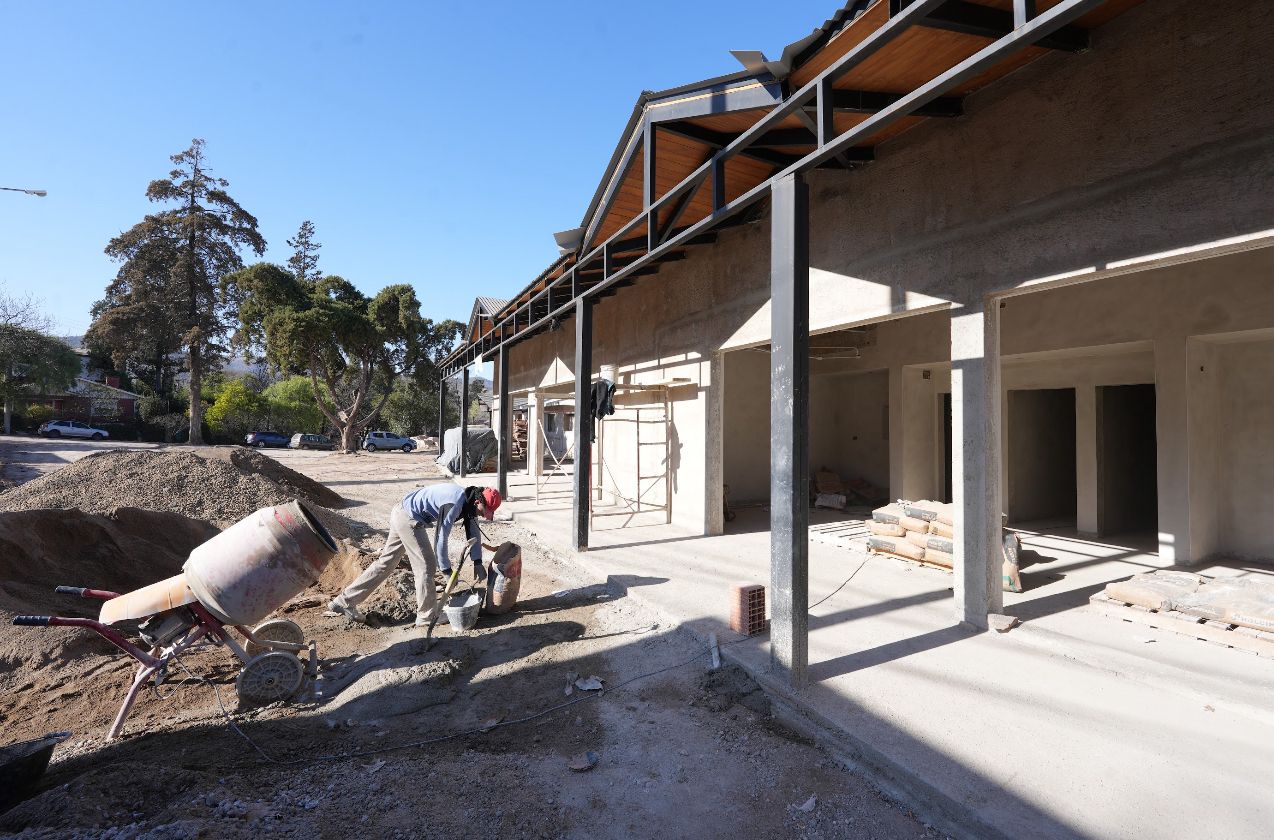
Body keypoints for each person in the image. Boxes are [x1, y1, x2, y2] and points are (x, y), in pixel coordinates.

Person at [327, 484, 502, 626]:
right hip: (408, 518)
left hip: (402, 512)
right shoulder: (455, 502)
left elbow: (473, 531)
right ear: (478, 501)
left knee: (385, 563)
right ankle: (427, 617)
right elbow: (441, 537)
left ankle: (343, 602)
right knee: (426, 566)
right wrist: (447, 570)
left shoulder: (470, 501)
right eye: (483, 511)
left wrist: (477, 562)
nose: (483, 515)